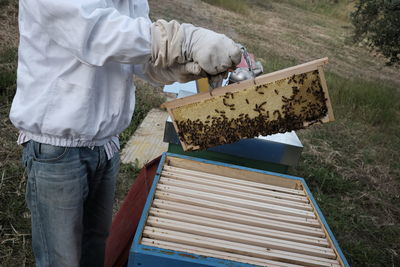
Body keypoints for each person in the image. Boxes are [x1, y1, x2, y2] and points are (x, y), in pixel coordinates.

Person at [9, 0, 241, 266]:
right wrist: (183, 40)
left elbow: (136, 54)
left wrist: (182, 63)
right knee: (62, 259)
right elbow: (96, 34)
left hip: (105, 145)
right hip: (57, 149)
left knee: (95, 249)